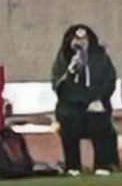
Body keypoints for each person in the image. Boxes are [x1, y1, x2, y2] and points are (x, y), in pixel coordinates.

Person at [50, 21, 118, 174]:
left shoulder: (101, 59)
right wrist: (70, 70)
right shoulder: (63, 59)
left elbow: (109, 82)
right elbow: (58, 86)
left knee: (99, 121)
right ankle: (72, 166)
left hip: (96, 103)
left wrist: (98, 99)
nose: (81, 43)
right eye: (77, 40)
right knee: (68, 120)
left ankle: (103, 165)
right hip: (71, 106)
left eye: (84, 39)